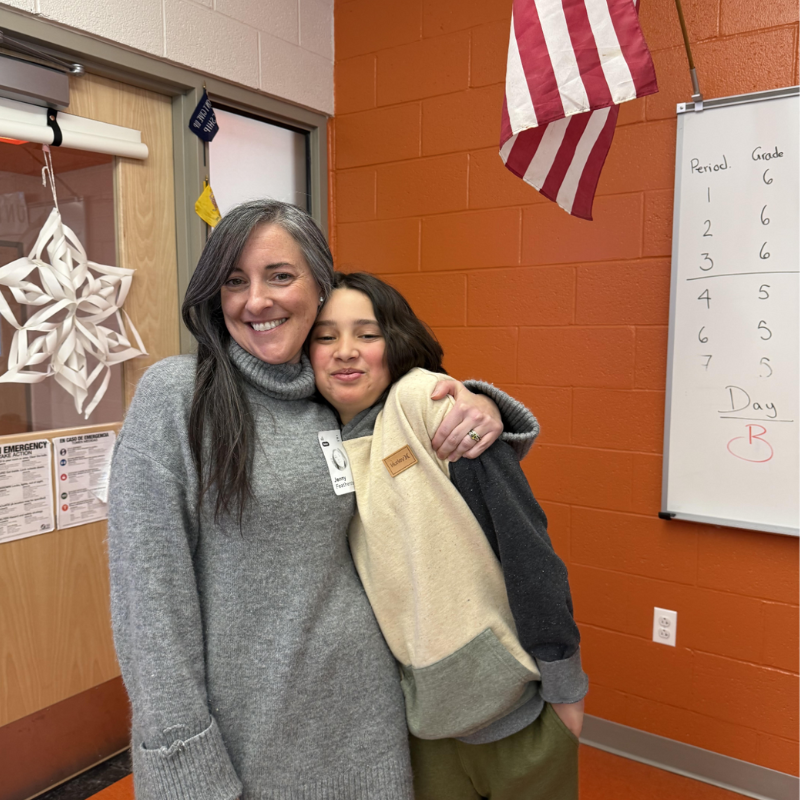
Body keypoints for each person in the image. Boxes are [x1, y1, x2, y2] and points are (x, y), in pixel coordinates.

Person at [106, 200, 535, 800]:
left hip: (370, 725)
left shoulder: (336, 402)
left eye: (280, 275)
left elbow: (429, 411)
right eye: (234, 281)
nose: (256, 300)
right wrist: (182, 755)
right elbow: (147, 600)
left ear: (320, 285)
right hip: (243, 747)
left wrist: (486, 404)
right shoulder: (178, 397)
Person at [309, 271, 588, 800]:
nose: (345, 351)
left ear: (395, 342)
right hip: (418, 722)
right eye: (326, 336)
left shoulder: (429, 404)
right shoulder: (308, 436)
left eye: (367, 334)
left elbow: (526, 545)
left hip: (518, 714)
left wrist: (566, 686)